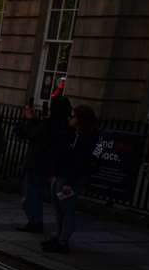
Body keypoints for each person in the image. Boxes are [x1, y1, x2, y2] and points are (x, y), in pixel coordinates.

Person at [44, 105, 99, 254]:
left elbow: (80, 163)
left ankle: (63, 242)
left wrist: (69, 183)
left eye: (73, 116)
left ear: (81, 120)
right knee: (58, 209)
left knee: (67, 210)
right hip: (61, 175)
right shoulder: (72, 134)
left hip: (71, 179)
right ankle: (59, 236)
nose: (70, 118)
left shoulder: (86, 139)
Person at [15, 101, 50, 231]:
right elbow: (20, 133)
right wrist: (29, 119)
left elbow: (31, 134)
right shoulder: (44, 124)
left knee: (31, 197)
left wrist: (30, 119)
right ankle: (34, 222)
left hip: (37, 164)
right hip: (35, 163)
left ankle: (36, 222)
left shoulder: (49, 125)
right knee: (31, 196)